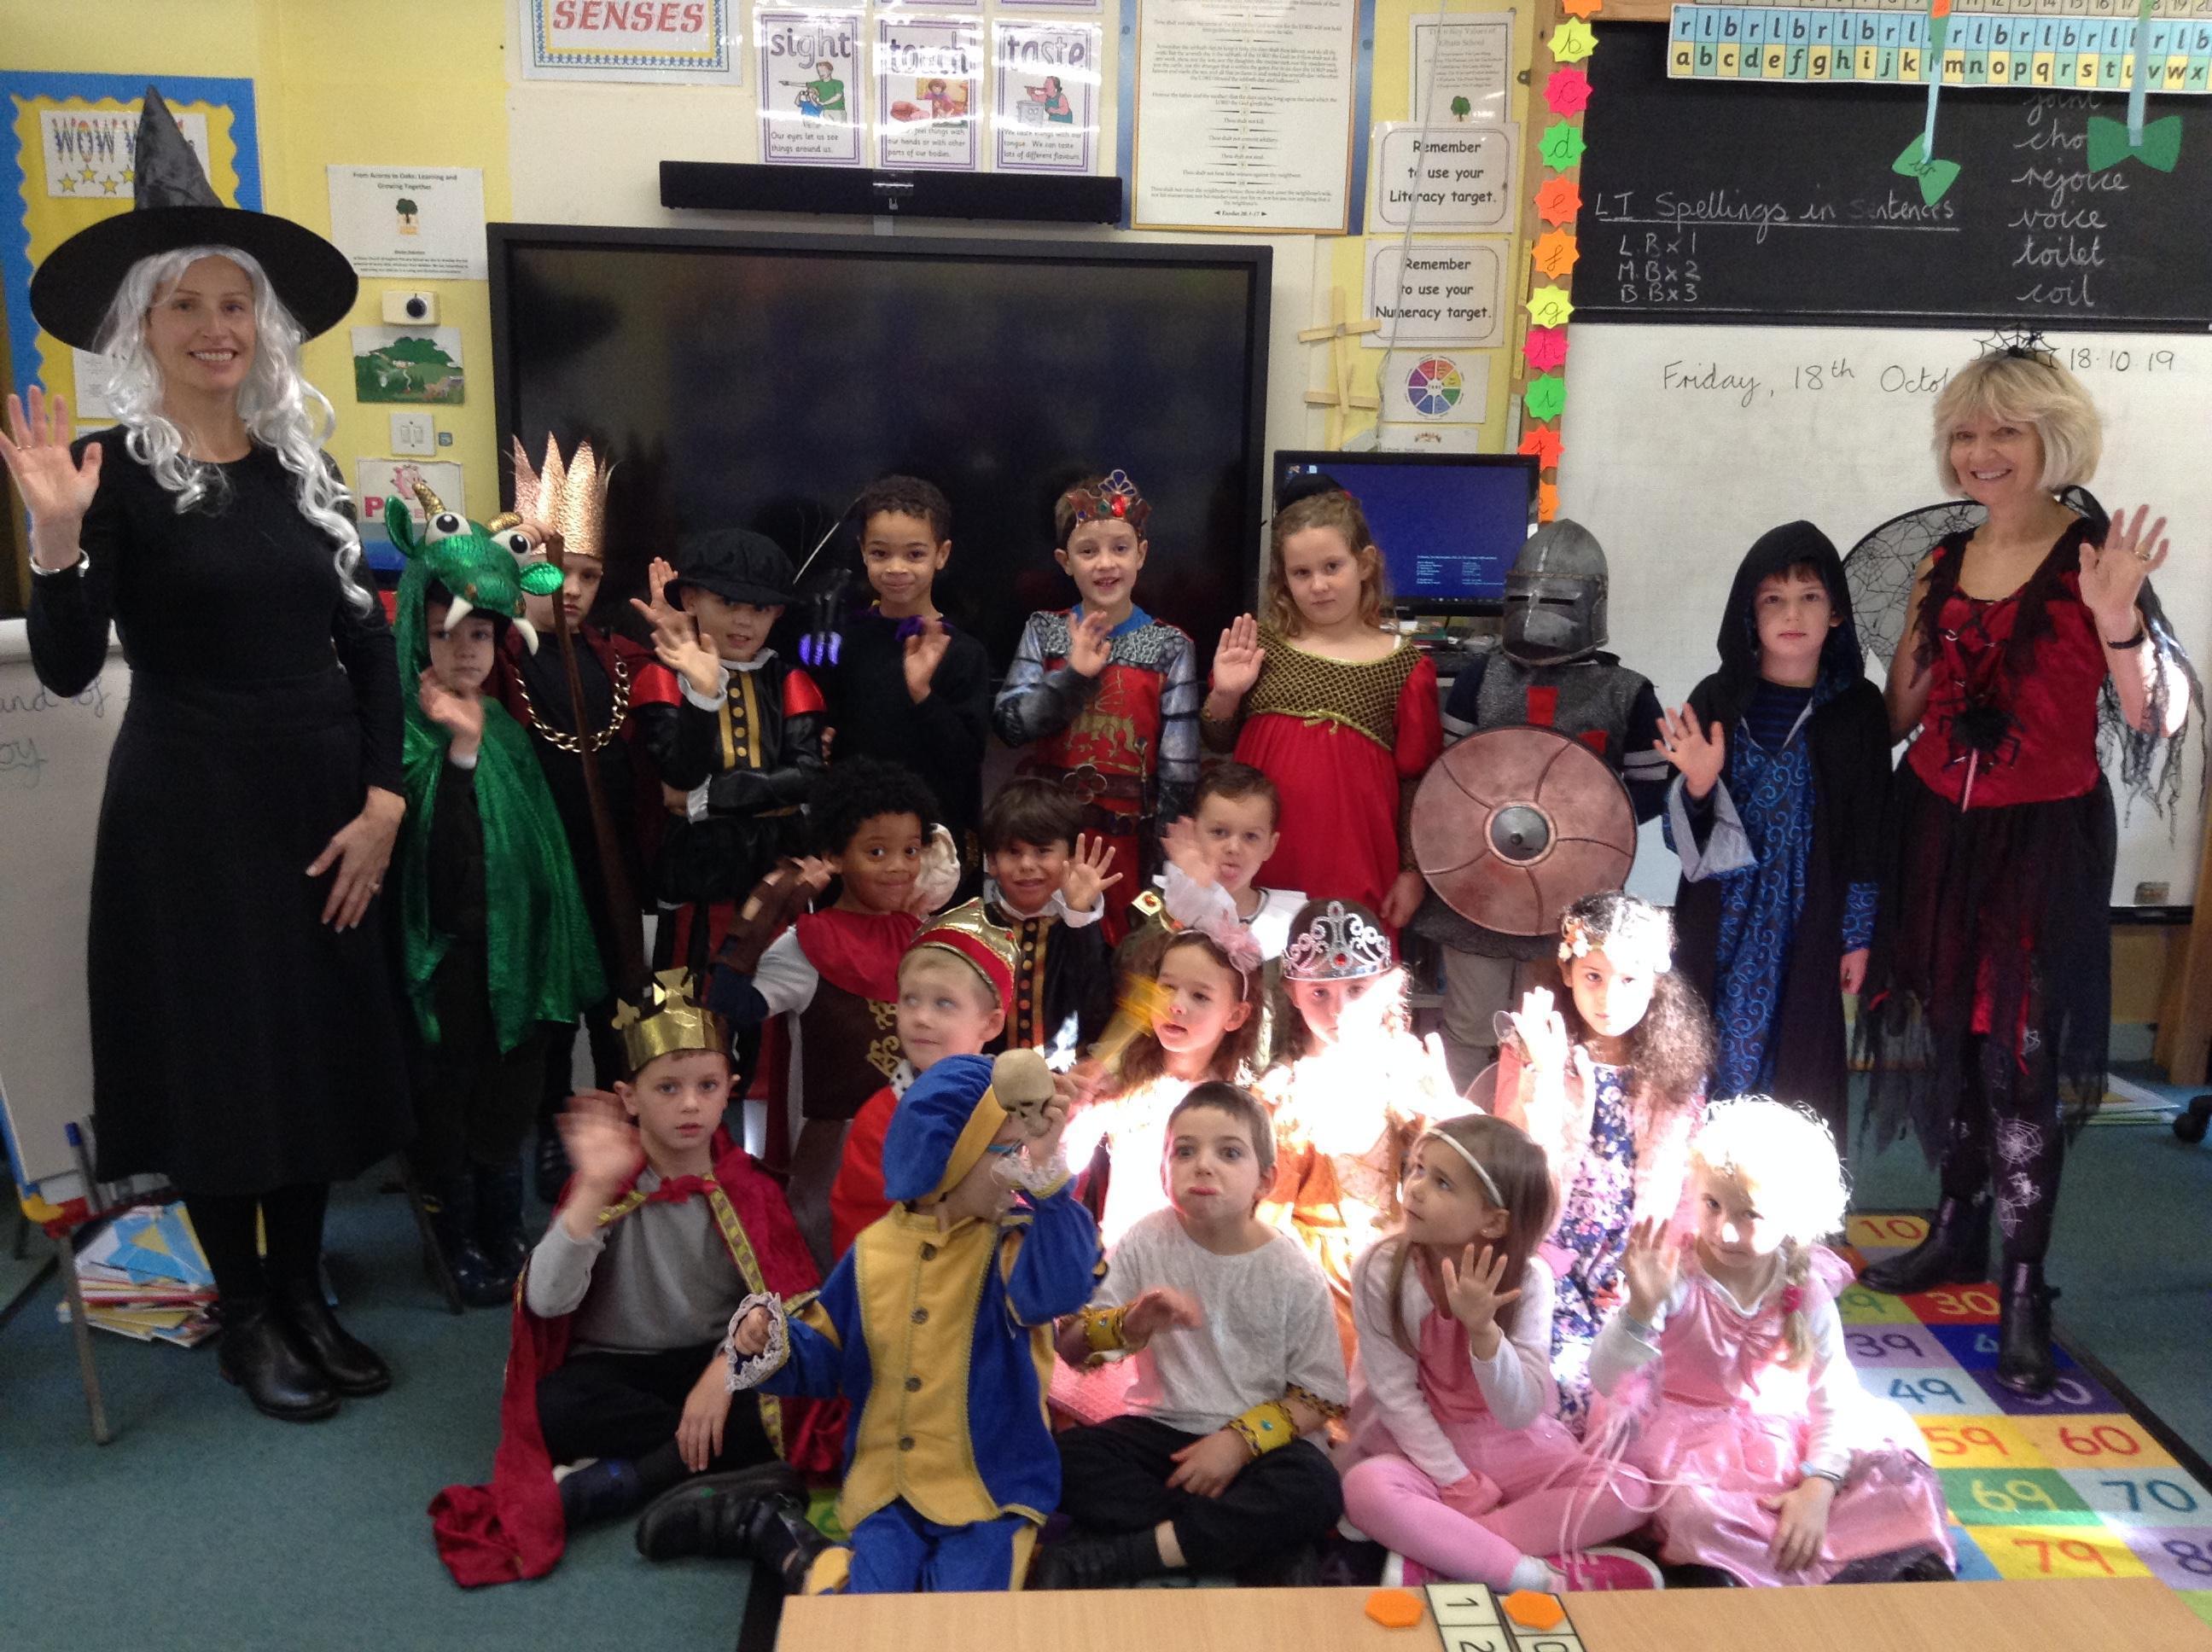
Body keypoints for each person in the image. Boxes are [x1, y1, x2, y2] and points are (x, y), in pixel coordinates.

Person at [12, 88, 407, 1421]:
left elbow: (368, 650)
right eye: (184, 305)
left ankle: (303, 1293)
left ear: (265, 325)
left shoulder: (306, 470)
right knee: (225, 1061)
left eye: (234, 304)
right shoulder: (108, 470)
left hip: (324, 799)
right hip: (192, 809)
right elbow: (71, 666)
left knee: (315, 1050)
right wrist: (55, 543)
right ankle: (247, 1320)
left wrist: (385, 800)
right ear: (143, 326)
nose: (214, 326)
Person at [1857, 349, 2196, 1396]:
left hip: (2040, 844)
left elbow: (2159, 716)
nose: (1981, 452)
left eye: (2005, 430)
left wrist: (2120, 618)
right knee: (1952, 1042)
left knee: (2019, 1060)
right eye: (1965, 433)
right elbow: (1903, 711)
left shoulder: (2098, 559)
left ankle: (2024, 1287)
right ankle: (1957, 1228)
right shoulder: (1942, 558)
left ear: (2052, 437)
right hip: (1934, 834)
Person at [428, 970, 839, 1585]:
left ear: (729, 1090)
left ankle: (631, 1478)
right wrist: (593, 1192)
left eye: (706, 1086)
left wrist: (722, 1374)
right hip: (620, 1368)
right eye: (668, 1087)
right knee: (554, 1407)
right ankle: (704, 1464)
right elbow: (545, 1302)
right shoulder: (606, 1184)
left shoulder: (749, 1190)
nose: (690, 1104)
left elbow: (785, 1307)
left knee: (799, 1398)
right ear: (629, 1097)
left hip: (717, 1362)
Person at [637, 1051, 1103, 1593]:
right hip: (889, 1490)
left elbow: (1063, 1286)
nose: (1021, 1167)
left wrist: (1050, 1180)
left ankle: (781, 1537)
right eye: (1009, 1151)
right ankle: (775, 1530)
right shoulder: (875, 1251)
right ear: (949, 1159)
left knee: (965, 1616)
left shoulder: (1014, 1245)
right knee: (863, 1612)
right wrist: (770, 1341)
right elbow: (826, 1355)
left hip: (989, 1493)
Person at [1590, 1100, 1954, 1586]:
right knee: (1698, 1513)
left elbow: (1832, 1398)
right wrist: (1639, 1309)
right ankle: (1770, 1565)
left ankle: (1817, 1557)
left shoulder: (1807, 1291)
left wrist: (1819, 1487)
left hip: (1789, 1435)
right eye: (1712, 1205)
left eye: (1751, 1215)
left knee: (1898, 1473)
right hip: (1688, 1444)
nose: (1724, 1230)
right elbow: (1605, 1379)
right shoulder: (1676, 1278)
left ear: (1796, 1219)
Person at [390, 503, 603, 1304]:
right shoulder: (403, 737)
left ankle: (500, 1218)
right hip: (445, 959)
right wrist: (459, 751)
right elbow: (436, 867)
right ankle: (452, 1229)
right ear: (417, 636)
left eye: (480, 634)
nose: (466, 651)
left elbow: (539, 853)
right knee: (448, 1092)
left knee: (509, 1089)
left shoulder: (509, 735)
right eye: (446, 634)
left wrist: (553, 945)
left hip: (516, 956)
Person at [1037, 1084, 1348, 1589]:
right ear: (1163, 1173)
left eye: (1229, 1153)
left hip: (1258, 1449)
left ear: (1265, 1180)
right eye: (1185, 1152)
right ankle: (1237, 1542)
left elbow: (1320, 1397)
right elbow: (1071, 1348)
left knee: (1314, 1486)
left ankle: (1134, 1553)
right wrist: (1130, 1323)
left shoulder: (1293, 1270)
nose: (1203, 1165)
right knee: (1062, 1460)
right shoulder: (1147, 1238)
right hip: (1163, 1433)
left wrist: (1236, 1445)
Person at [1336, 1115, 1660, 1592]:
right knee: (1364, 1489)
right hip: (1417, 1447)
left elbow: (1519, 1411)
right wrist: (1456, 1481)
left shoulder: (1530, 1280)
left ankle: (1452, 1552)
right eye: (1418, 1168)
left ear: (1493, 1221)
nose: (1415, 1188)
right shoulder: (1382, 1268)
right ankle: (1522, 1572)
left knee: (1631, 1490)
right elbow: (1394, 1395)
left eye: (1442, 1182)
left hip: (1508, 1441)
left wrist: (1483, 1331)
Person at [1409, 519, 1671, 1090]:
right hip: (1477, 888)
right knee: (1469, 1027)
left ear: (1590, 603)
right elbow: (1449, 785)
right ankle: (1465, 1131)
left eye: (1555, 599)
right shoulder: (1481, 677)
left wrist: (1584, 827)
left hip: (1572, 902)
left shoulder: (1628, 694)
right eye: (1525, 596)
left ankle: (1533, 1136)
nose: (1535, 613)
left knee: (1549, 1034)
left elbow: (1647, 792)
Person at [1657, 521, 1890, 1156]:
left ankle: (1778, 1193)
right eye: (1773, 599)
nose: (1792, 614)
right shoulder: (1718, 698)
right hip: (1722, 913)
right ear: (1749, 613)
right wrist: (1699, 784)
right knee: (1703, 1044)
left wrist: (1858, 936)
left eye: (1810, 596)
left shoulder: (1857, 708)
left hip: (1808, 915)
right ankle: (1696, 1186)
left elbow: (1870, 827)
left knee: (1799, 1051)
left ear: (1835, 612)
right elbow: (1681, 840)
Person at [487, 434, 659, 1201]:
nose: (573, 588)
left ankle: (620, 1124)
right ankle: (554, 1133)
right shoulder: (500, 655)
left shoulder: (615, 658)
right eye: (555, 569)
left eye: (589, 574)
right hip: (538, 869)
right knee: (551, 1011)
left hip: (609, 861)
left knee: (618, 1005)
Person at [707, 757, 960, 1267]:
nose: (898, 867)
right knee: (837, 1273)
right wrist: (766, 906)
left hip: (915, 1136)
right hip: (833, 1151)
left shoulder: (921, 937)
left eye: (911, 850)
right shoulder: (807, 944)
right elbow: (731, 1004)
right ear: (834, 856)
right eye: (876, 851)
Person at [1494, 892, 1712, 1434]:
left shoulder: (1677, 1067)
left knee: (1640, 1393)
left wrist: (1659, 1267)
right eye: (1593, 976)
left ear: (1656, 983)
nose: (1609, 997)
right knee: (1561, 1388)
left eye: (1629, 980)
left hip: (1633, 1258)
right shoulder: (1534, 1049)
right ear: (1567, 973)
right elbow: (1508, 1155)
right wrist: (1541, 1075)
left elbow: (1687, 1184)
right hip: (1551, 1253)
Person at [1202, 484, 1441, 928]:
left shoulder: (1404, 666)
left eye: (1332, 567)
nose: (1318, 585)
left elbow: (1418, 780)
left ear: (1364, 563)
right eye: (1301, 573)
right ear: (1284, 579)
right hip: (1258, 857)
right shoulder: (1259, 647)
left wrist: (1412, 871)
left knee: (1338, 963)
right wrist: (1226, 695)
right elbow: (1218, 740)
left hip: (1353, 861)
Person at [993, 469, 1200, 943]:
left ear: (1141, 555)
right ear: (1065, 561)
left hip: (1129, 842)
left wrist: (1167, 870)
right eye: (1088, 551)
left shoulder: (1172, 646)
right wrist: (1074, 676)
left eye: (1120, 548)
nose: (1106, 563)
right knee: (1045, 952)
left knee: (1124, 954)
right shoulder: (1045, 631)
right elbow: (1010, 724)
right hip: (1047, 839)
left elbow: (1179, 774)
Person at [1261, 898, 1458, 1364]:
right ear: (1292, 992)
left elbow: (1454, 1175)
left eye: (1357, 990)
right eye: (1319, 993)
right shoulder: (1281, 1093)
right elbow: (1268, 1220)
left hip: (1404, 1268)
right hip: (1319, 1282)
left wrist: (1443, 1111)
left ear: (1386, 987)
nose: (1340, 1011)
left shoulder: (1407, 1068)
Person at [631, 530, 824, 979]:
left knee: (771, 993)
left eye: (760, 608)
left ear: (777, 612)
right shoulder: (663, 678)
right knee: (688, 988)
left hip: (778, 868)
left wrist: (706, 798)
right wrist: (701, 694)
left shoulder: (790, 680)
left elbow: (809, 776)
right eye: (728, 602)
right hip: (696, 868)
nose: (743, 621)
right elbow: (679, 773)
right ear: (691, 599)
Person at [817, 474, 992, 881]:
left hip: (933, 847)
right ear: (863, 551)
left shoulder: (963, 652)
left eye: (914, 554)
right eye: (881, 553)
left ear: (941, 554)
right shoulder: (845, 642)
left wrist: (921, 693)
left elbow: (965, 759)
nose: (896, 568)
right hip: (858, 840)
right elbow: (832, 737)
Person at [829, 899, 1018, 1254]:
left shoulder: (1015, 1109)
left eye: (944, 1003)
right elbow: (861, 1235)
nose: (921, 1018)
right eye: (910, 1000)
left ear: (991, 1023)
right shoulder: (880, 1118)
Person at [1065, 926, 1263, 1248]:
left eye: (1199, 996)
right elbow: (1062, 1169)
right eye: (1167, 987)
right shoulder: (1123, 1087)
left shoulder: (1241, 1108)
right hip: (1120, 1262)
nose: (1175, 1005)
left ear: (1236, 1015)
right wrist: (1069, 1113)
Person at [1121, 762, 1306, 1066]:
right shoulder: (1161, 903)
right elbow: (1128, 972)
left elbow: (1297, 1021)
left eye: (1250, 836)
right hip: (1160, 1071)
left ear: (1271, 845)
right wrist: (1186, 905)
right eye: (1219, 832)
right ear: (1194, 832)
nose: (1233, 847)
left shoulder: (1292, 924)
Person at [978, 777, 1120, 1068]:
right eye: (1013, 852)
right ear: (991, 861)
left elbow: (1098, 1010)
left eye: (1042, 851)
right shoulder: (975, 928)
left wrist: (1080, 916)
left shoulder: (1079, 928)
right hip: (987, 1080)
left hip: (1066, 1080)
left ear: (1071, 857)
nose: (1027, 864)